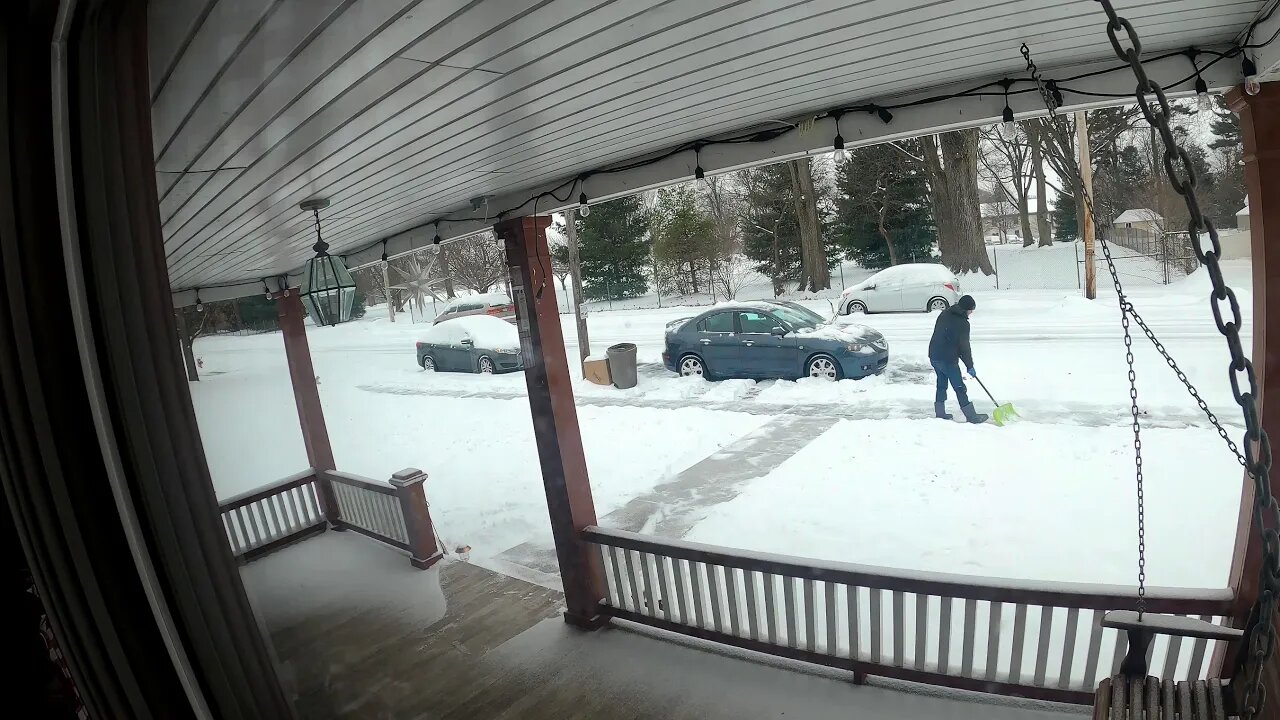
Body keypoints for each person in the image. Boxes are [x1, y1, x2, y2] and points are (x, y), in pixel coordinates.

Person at [928, 295, 988, 424]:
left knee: (941, 384)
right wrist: (969, 366)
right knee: (959, 387)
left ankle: (940, 413)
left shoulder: (945, 314)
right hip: (947, 359)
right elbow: (965, 347)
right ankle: (972, 417)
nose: (971, 312)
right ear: (966, 309)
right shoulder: (963, 323)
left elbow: (944, 335)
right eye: (971, 310)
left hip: (934, 355)